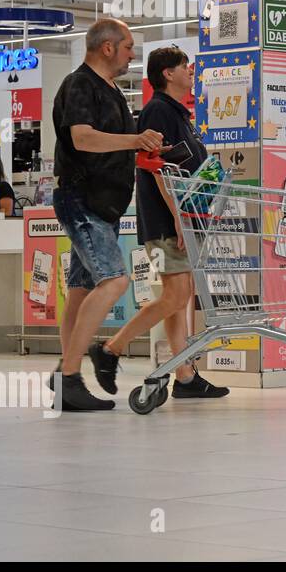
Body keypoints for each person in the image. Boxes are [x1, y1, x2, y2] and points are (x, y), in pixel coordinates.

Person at [96, 47, 228, 399]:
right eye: (185, 66)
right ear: (167, 74)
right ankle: (111, 348)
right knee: (177, 295)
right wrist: (178, 216)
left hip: (180, 217)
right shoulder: (157, 110)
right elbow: (156, 168)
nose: (191, 71)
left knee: (177, 296)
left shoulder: (178, 113)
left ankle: (184, 374)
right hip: (166, 220)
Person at [48, 19, 163, 412]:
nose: (133, 53)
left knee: (80, 294)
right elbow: (82, 137)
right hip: (83, 201)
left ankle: (68, 372)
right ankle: (68, 376)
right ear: (108, 48)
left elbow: (112, 145)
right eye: (129, 46)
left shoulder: (112, 91)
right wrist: (134, 140)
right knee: (114, 281)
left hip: (105, 207)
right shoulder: (80, 85)